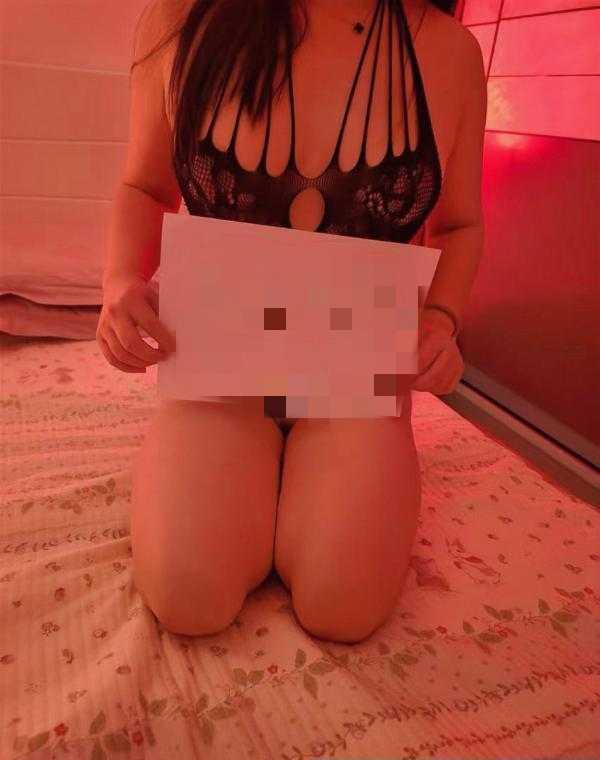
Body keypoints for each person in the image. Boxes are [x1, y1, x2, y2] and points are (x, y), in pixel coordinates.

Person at [96, 0, 486, 643]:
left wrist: (441, 320)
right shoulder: (179, 20)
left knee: (343, 606)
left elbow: (460, 224)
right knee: (188, 594)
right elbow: (145, 186)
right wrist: (119, 283)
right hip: (222, 369)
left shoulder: (448, 50)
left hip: (356, 380)